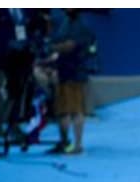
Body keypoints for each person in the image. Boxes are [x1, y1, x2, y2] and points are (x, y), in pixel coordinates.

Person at [48, 8, 95, 155]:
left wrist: (51, 48)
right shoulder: (65, 22)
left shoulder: (79, 25)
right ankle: (67, 143)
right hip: (65, 72)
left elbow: (69, 46)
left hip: (74, 73)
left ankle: (76, 145)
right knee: (65, 111)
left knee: (73, 111)